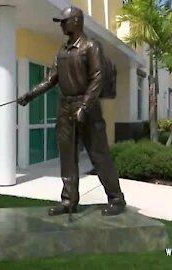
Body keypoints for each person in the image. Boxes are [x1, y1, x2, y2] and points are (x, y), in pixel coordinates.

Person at [17, 6, 126, 216]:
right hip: (65, 107)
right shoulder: (62, 51)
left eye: (63, 21)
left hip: (88, 107)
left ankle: (116, 199)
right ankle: (69, 201)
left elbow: (97, 78)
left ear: (76, 21)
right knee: (67, 157)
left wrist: (84, 107)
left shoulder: (91, 46)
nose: (61, 25)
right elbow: (51, 80)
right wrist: (29, 95)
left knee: (99, 155)